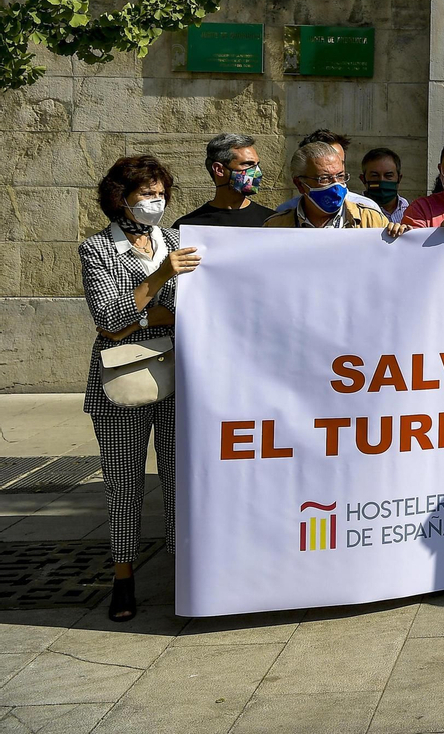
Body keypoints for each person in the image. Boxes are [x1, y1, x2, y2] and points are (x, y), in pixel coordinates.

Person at [78, 155, 201, 621]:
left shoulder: (174, 239)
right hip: (120, 381)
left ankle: (178, 565)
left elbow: (194, 308)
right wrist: (161, 279)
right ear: (121, 198)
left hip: (177, 375)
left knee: (179, 478)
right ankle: (123, 575)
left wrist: (147, 310)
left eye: (161, 192)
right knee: (124, 485)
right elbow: (110, 322)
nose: (156, 201)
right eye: (146, 193)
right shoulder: (98, 248)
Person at [265, 142, 393, 229]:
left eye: (340, 176)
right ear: (300, 184)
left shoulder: (371, 219)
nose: (336, 185)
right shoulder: (275, 226)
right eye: (325, 178)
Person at [172, 133, 274, 228]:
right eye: (248, 164)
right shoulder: (188, 226)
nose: (257, 172)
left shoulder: (273, 222)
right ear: (219, 169)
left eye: (257, 165)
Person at [272, 129, 383, 213]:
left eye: (339, 162)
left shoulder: (368, 213)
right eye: (324, 178)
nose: (335, 183)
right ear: (300, 183)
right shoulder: (284, 216)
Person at [360, 147, 408, 224]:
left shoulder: (412, 211)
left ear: (399, 178)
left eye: (388, 175)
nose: (382, 180)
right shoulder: (353, 212)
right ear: (363, 179)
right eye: (374, 175)